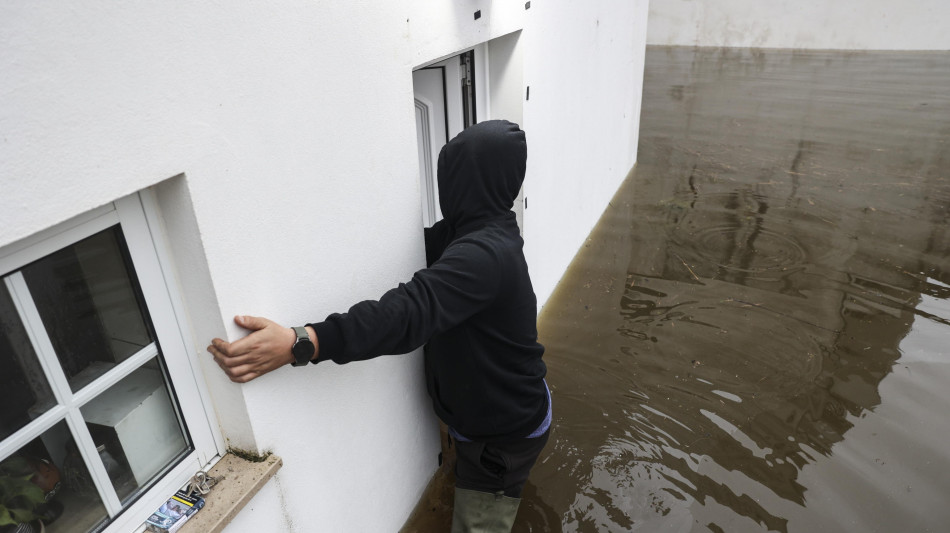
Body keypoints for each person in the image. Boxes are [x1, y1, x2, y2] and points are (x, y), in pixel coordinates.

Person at [207, 120, 550, 532]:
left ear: (467, 182)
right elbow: (400, 244)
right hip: (501, 407)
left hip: (502, 438)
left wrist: (303, 342)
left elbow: (407, 312)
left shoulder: (485, 254)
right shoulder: (472, 230)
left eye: (452, 175)